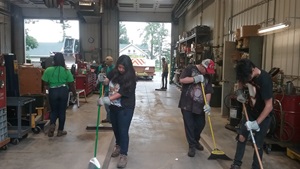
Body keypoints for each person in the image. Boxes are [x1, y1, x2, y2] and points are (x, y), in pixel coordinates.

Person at [230, 59, 273, 169]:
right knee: (241, 137)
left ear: (253, 70)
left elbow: (269, 106)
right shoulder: (245, 74)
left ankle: (256, 167)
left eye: (246, 79)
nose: (244, 81)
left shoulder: (265, 80)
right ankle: (236, 164)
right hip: (250, 112)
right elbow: (240, 81)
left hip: (263, 115)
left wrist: (256, 123)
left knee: (257, 144)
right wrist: (239, 92)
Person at [97, 55, 136, 168]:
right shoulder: (114, 72)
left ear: (128, 68)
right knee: (116, 128)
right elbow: (107, 81)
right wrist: (102, 80)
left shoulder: (131, 77)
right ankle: (118, 146)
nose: (121, 70)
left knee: (123, 130)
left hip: (125, 107)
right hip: (113, 106)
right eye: (119, 67)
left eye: (123, 68)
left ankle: (123, 154)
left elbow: (122, 93)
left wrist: (107, 99)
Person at [178, 59, 215, 157]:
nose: (207, 73)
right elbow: (181, 80)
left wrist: (207, 103)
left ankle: (195, 140)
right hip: (187, 104)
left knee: (200, 124)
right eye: (206, 70)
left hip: (199, 105)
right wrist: (194, 79)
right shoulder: (190, 69)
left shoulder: (207, 76)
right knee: (189, 126)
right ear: (202, 66)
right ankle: (192, 146)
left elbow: (208, 91)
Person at [42, 52, 77, 137]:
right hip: (63, 91)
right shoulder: (66, 71)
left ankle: (52, 124)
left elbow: (45, 84)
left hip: (53, 91)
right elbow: (71, 84)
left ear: (53, 60)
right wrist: (75, 94)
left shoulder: (48, 70)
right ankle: (60, 131)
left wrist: (47, 94)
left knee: (53, 111)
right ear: (63, 60)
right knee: (62, 111)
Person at [97, 55, 115, 123]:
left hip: (111, 89)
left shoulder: (113, 68)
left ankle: (111, 118)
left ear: (111, 62)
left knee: (109, 104)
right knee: (106, 104)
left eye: (107, 62)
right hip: (106, 88)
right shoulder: (106, 68)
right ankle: (108, 118)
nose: (106, 63)